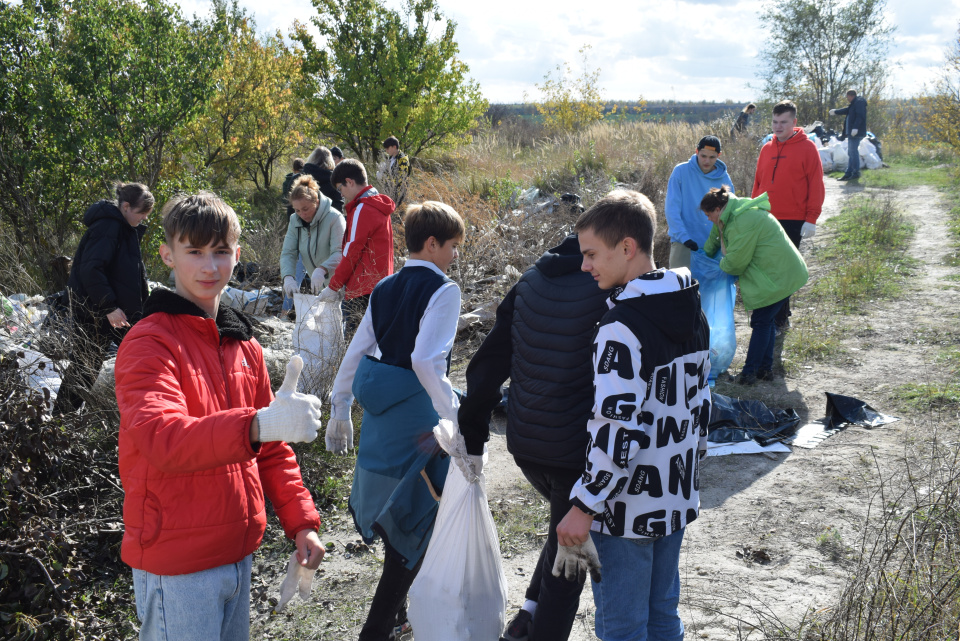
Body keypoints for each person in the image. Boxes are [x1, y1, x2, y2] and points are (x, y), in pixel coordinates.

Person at [114, 192, 326, 641]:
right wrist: (259, 425)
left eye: (221, 252)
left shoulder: (242, 344)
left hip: (237, 554)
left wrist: (301, 522)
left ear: (238, 254)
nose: (210, 267)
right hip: (178, 567)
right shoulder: (148, 342)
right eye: (194, 252)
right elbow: (162, 438)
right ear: (167, 255)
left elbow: (270, 450)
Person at [555, 189, 711, 641]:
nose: (584, 265)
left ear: (627, 248)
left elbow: (617, 426)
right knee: (663, 618)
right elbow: (699, 406)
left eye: (591, 254)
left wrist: (584, 505)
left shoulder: (621, 328)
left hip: (625, 511)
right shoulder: (689, 307)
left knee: (622, 629)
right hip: (675, 498)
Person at [324, 201, 466, 641]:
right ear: (432, 243)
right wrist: (454, 417)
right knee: (417, 525)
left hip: (381, 415)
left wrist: (340, 405)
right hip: (416, 419)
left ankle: (399, 619)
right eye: (453, 247)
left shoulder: (385, 286)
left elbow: (357, 348)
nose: (454, 256)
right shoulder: (444, 291)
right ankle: (377, 629)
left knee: (392, 513)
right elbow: (426, 362)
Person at [457, 233, 609, 641]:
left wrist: (473, 434)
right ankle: (539, 629)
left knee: (564, 527)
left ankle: (525, 617)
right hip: (576, 449)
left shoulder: (528, 280)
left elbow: (489, 361)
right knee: (569, 559)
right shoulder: (609, 283)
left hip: (526, 445)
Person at [54, 182, 155, 413]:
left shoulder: (122, 226)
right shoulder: (109, 226)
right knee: (85, 367)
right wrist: (108, 306)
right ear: (126, 206)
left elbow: (125, 271)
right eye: (141, 213)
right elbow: (92, 270)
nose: (143, 219)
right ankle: (60, 423)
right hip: (97, 312)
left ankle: (142, 415)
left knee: (140, 356)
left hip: (115, 312)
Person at [702, 186, 809, 385]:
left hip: (778, 277)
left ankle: (748, 374)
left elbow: (734, 263)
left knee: (760, 323)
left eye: (709, 215)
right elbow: (716, 238)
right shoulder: (733, 213)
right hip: (782, 273)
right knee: (766, 322)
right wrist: (706, 252)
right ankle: (764, 370)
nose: (708, 219)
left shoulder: (742, 222)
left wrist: (720, 263)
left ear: (717, 209)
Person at [751, 99, 823, 329]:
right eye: (775, 122)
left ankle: (780, 318)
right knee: (766, 267)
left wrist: (811, 218)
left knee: (783, 269)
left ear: (794, 122)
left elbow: (816, 184)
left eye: (784, 122)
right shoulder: (767, 148)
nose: (778, 126)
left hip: (793, 219)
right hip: (766, 217)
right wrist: (752, 211)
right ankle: (777, 312)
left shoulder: (807, 148)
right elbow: (758, 183)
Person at [318, 159, 396, 333]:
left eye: (341, 189)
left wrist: (333, 286)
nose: (341, 195)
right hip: (380, 287)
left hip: (361, 291)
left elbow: (351, 251)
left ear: (350, 182)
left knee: (353, 349)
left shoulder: (363, 208)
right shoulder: (379, 206)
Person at [664, 135, 735, 270]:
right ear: (696, 152)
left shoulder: (724, 178)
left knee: (710, 290)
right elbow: (671, 209)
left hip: (714, 244)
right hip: (683, 242)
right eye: (703, 156)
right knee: (680, 288)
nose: (707, 161)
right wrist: (684, 238)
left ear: (719, 155)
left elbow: (729, 211)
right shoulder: (680, 171)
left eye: (712, 157)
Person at [281, 175, 346, 307]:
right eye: (297, 210)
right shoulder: (295, 220)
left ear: (316, 201)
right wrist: (288, 276)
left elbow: (340, 252)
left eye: (305, 209)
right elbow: (288, 252)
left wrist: (322, 269)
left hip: (341, 286)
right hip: (319, 288)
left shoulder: (334, 218)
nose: (302, 214)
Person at [829, 90, 868, 181]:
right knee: (851, 152)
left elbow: (860, 116)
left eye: (847, 97)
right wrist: (836, 112)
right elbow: (847, 110)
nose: (847, 99)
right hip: (852, 133)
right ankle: (849, 173)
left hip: (856, 132)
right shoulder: (854, 104)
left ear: (851, 96)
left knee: (853, 152)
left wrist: (855, 128)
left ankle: (855, 173)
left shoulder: (859, 102)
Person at [303, 146, 345, 212]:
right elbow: (338, 207)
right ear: (330, 161)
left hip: (301, 220)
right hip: (330, 220)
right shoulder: (335, 181)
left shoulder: (298, 178)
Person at [376, 135, 411, 208]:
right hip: (389, 192)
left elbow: (400, 178)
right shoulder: (390, 158)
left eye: (387, 148)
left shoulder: (403, 160)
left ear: (394, 147)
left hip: (398, 194)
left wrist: (384, 178)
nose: (386, 151)